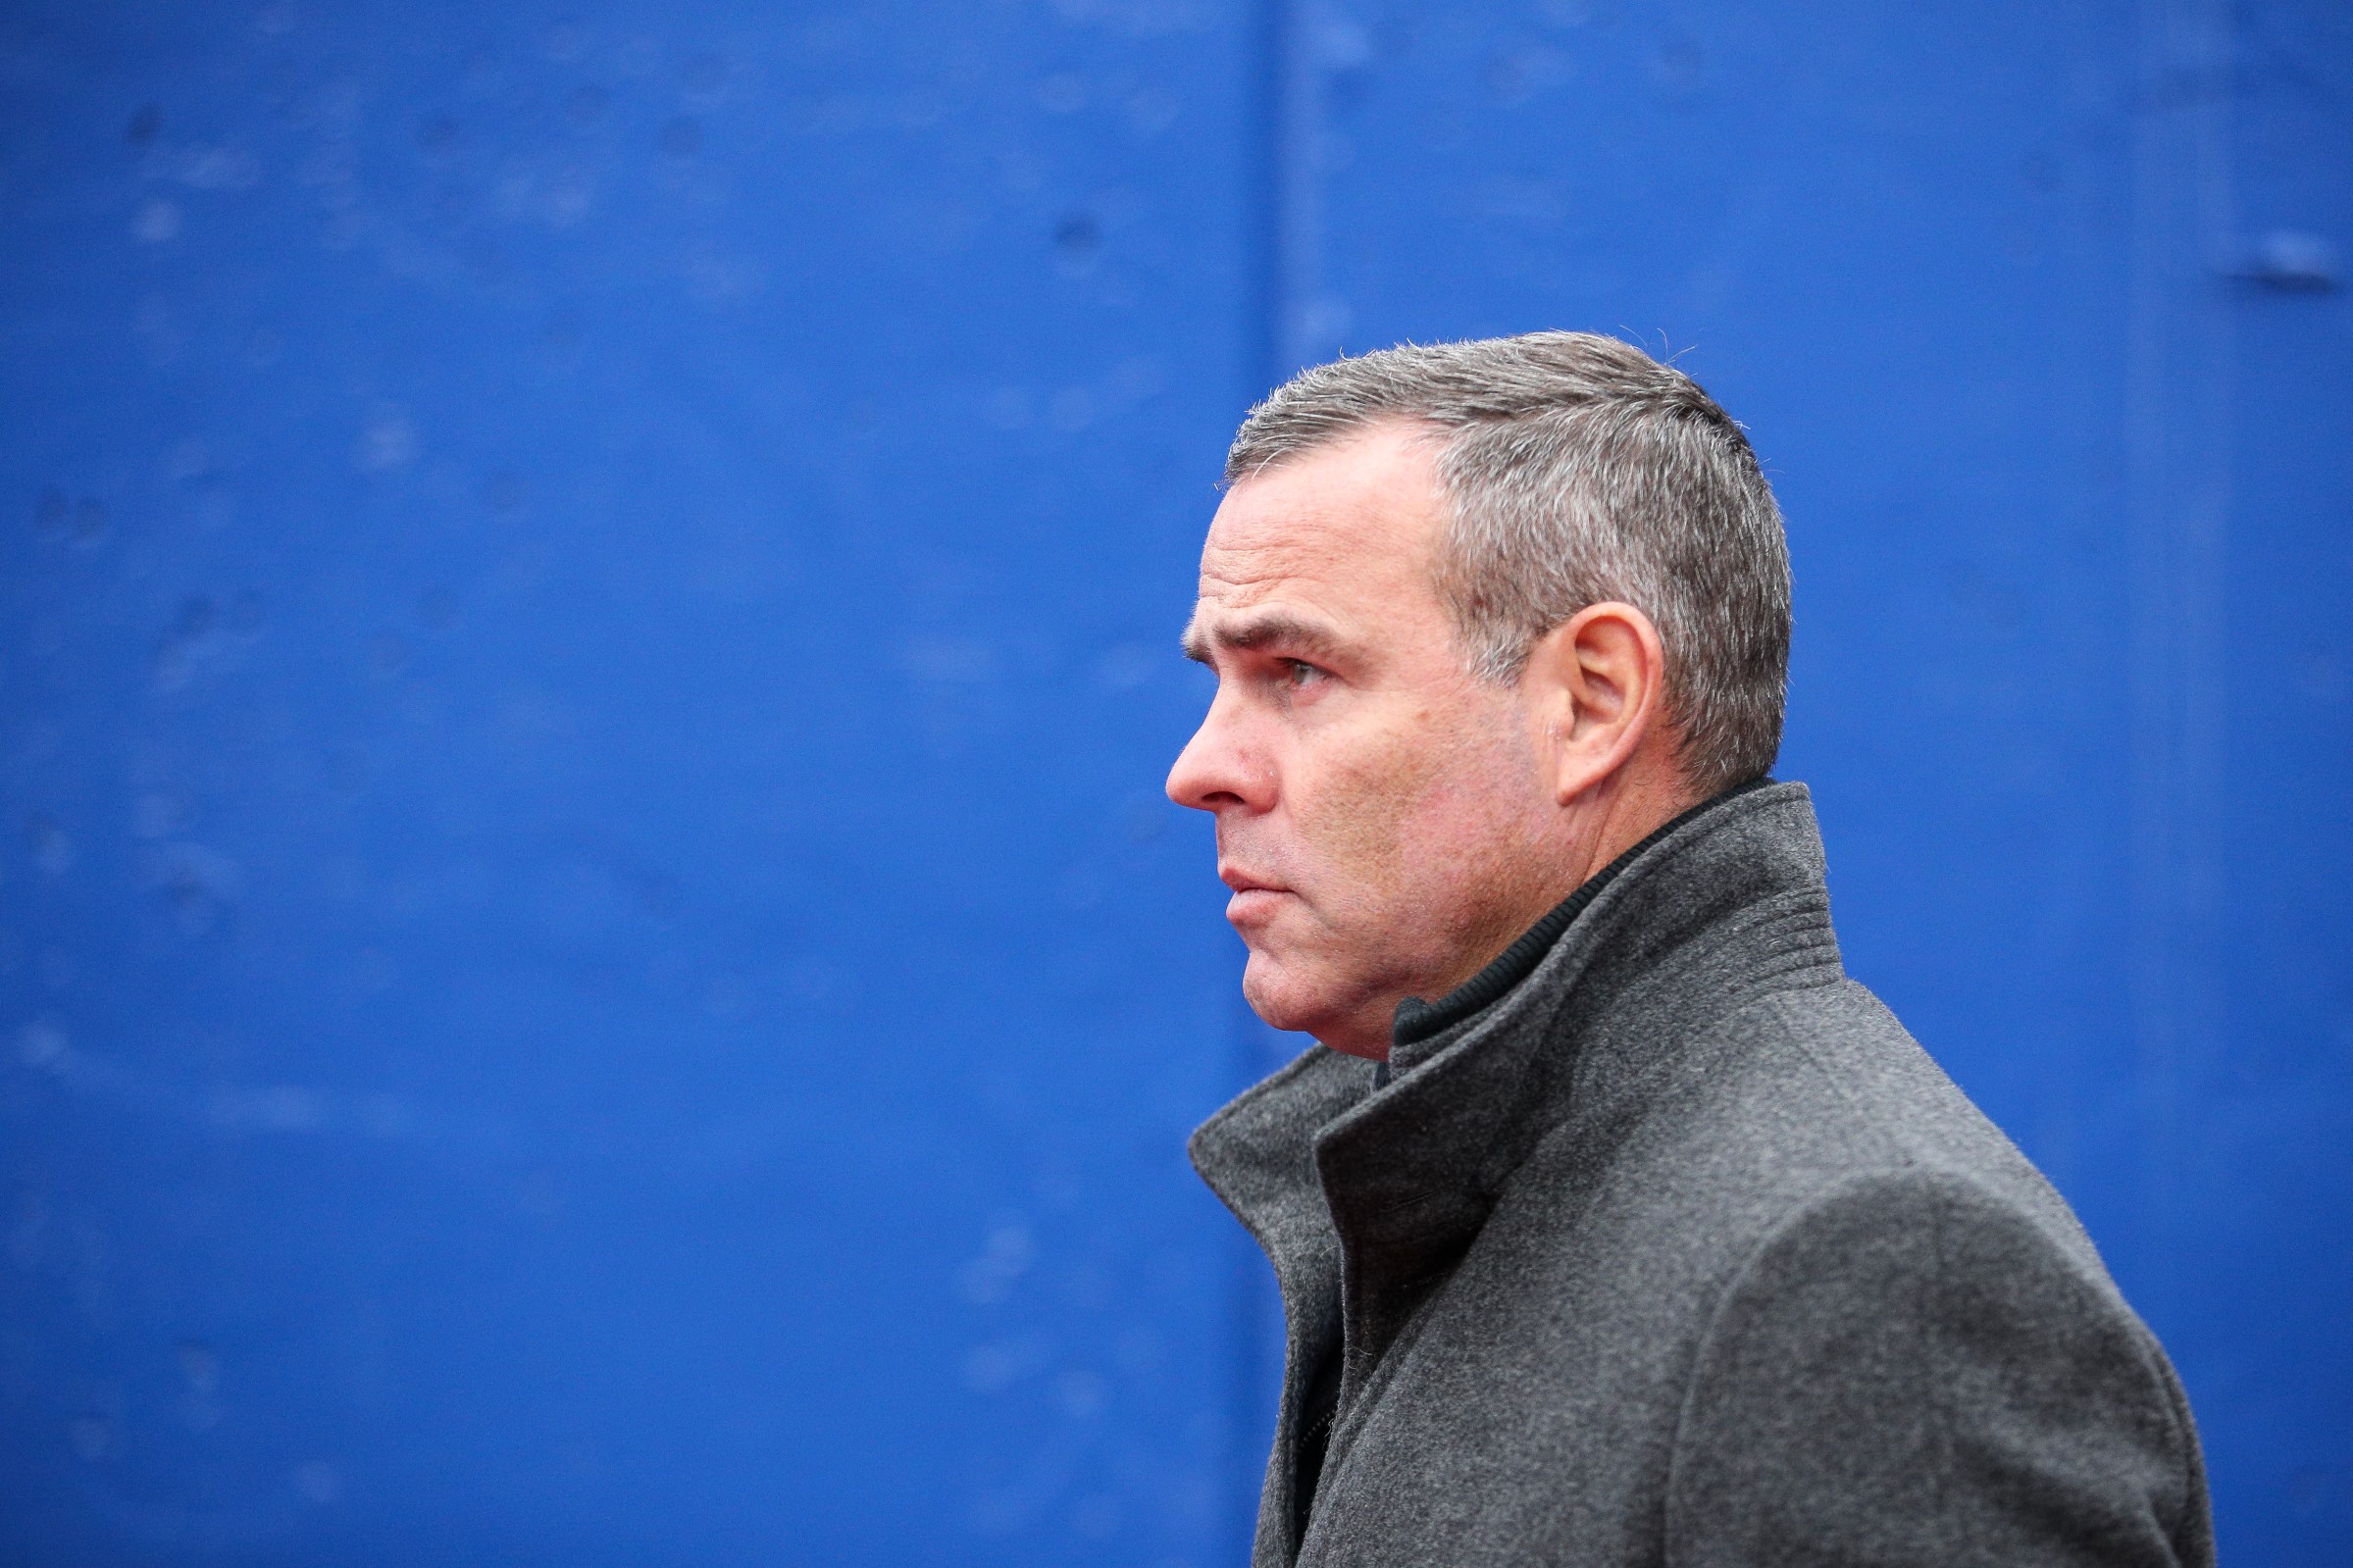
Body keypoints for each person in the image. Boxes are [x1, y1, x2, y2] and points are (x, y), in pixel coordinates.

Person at [1165, 332, 2213, 1567]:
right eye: (1219, 679)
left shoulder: (1872, 1278)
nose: (1198, 771)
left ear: (1591, 700)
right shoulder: (1470, 1170)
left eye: (1295, 670)